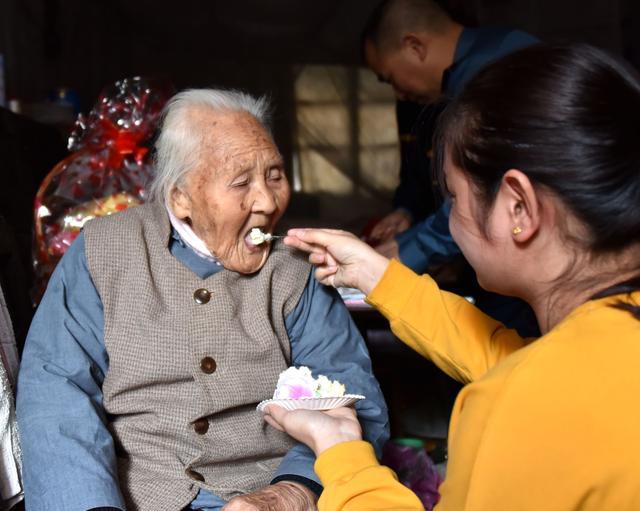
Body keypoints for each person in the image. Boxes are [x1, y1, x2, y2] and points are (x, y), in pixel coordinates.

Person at [266, 44, 640, 510]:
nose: (453, 218)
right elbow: (512, 360)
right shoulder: (608, 341)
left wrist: (342, 453)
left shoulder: (518, 407)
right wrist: (379, 276)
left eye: (454, 199)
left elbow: (525, 386)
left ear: (517, 207)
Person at [16, 89, 389, 511]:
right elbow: (57, 393)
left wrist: (292, 491)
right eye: (241, 182)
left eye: (274, 175)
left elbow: (350, 395)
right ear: (180, 196)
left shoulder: (298, 271)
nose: (267, 202)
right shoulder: (103, 251)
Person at [362, 0, 541, 336]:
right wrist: (408, 215)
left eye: (390, 79)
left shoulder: (490, 72)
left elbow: (481, 196)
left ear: (414, 46)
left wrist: (408, 250)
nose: (398, 93)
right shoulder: (488, 55)